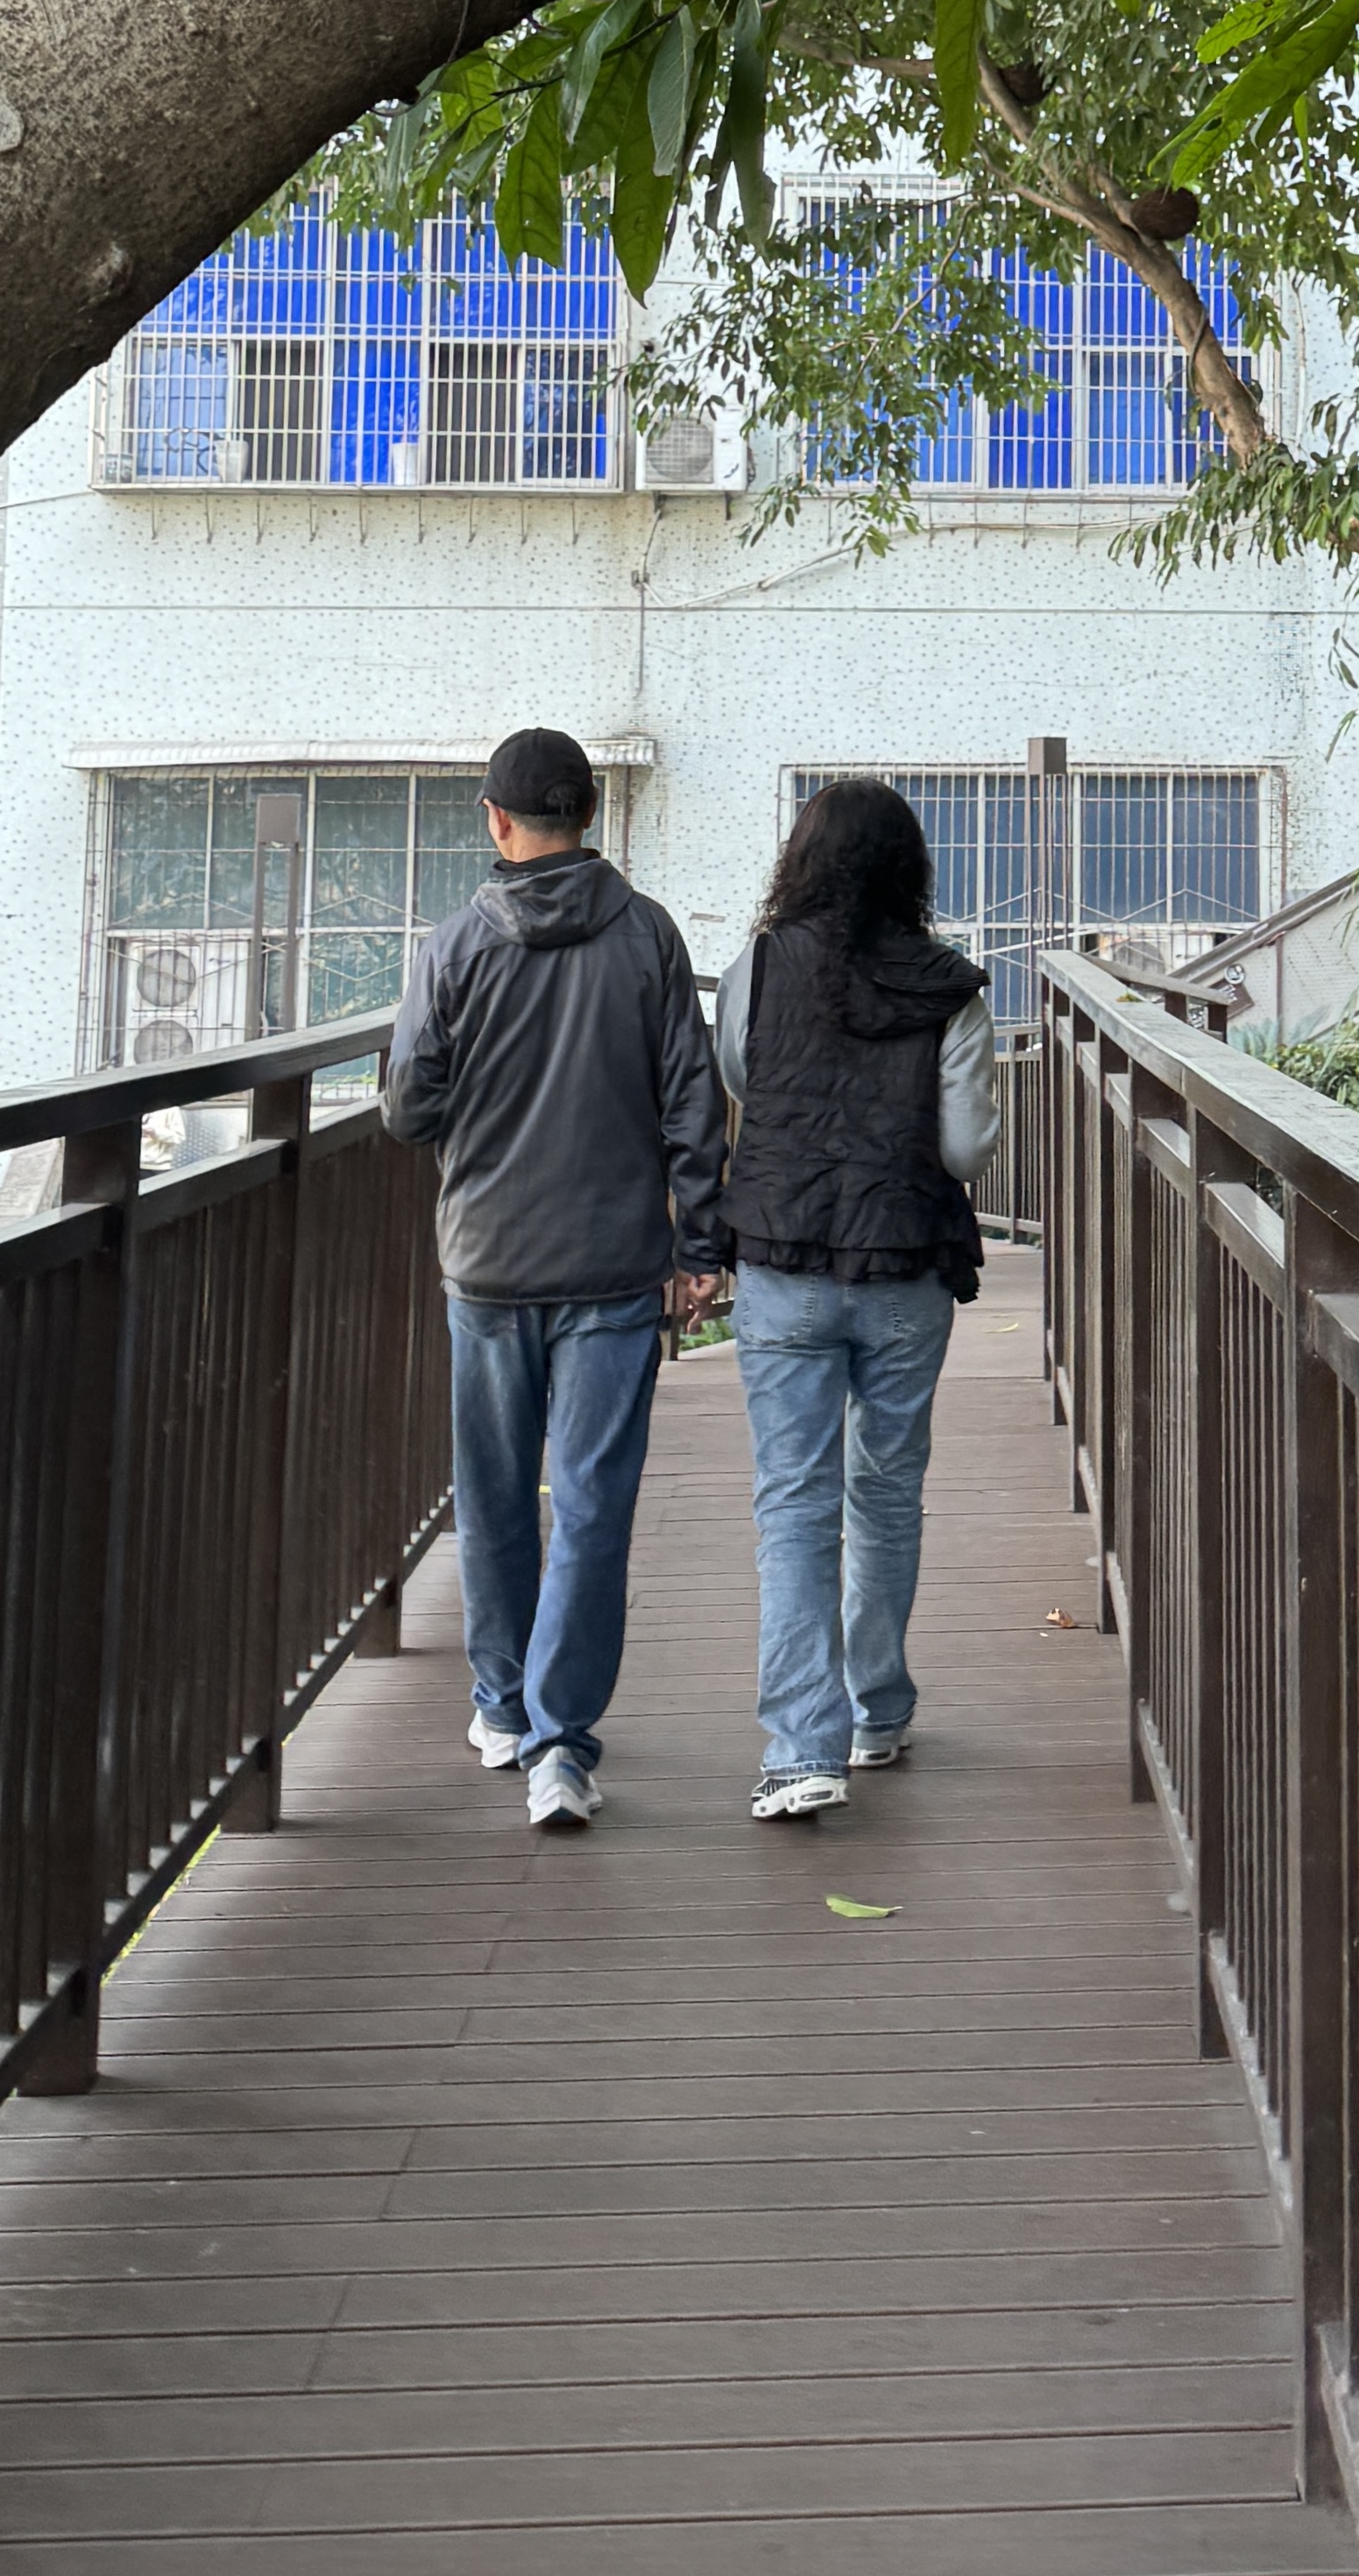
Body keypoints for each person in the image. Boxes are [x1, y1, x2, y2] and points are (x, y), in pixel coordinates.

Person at [382, 726, 726, 1831]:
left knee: (492, 1499)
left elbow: (406, 1109)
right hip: (616, 1265)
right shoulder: (649, 939)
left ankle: (500, 1702)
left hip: (486, 1264)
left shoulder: (452, 947)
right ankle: (561, 1745)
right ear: (592, 818)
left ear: (495, 820)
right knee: (590, 1505)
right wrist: (701, 1243)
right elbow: (693, 1103)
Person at [717, 776, 1000, 1821]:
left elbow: (742, 1076)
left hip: (784, 1261)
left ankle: (801, 1750)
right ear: (909, 869)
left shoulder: (756, 967)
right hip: (906, 1264)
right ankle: (877, 1708)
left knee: (793, 1501)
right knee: (883, 1490)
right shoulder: (950, 986)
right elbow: (967, 1146)